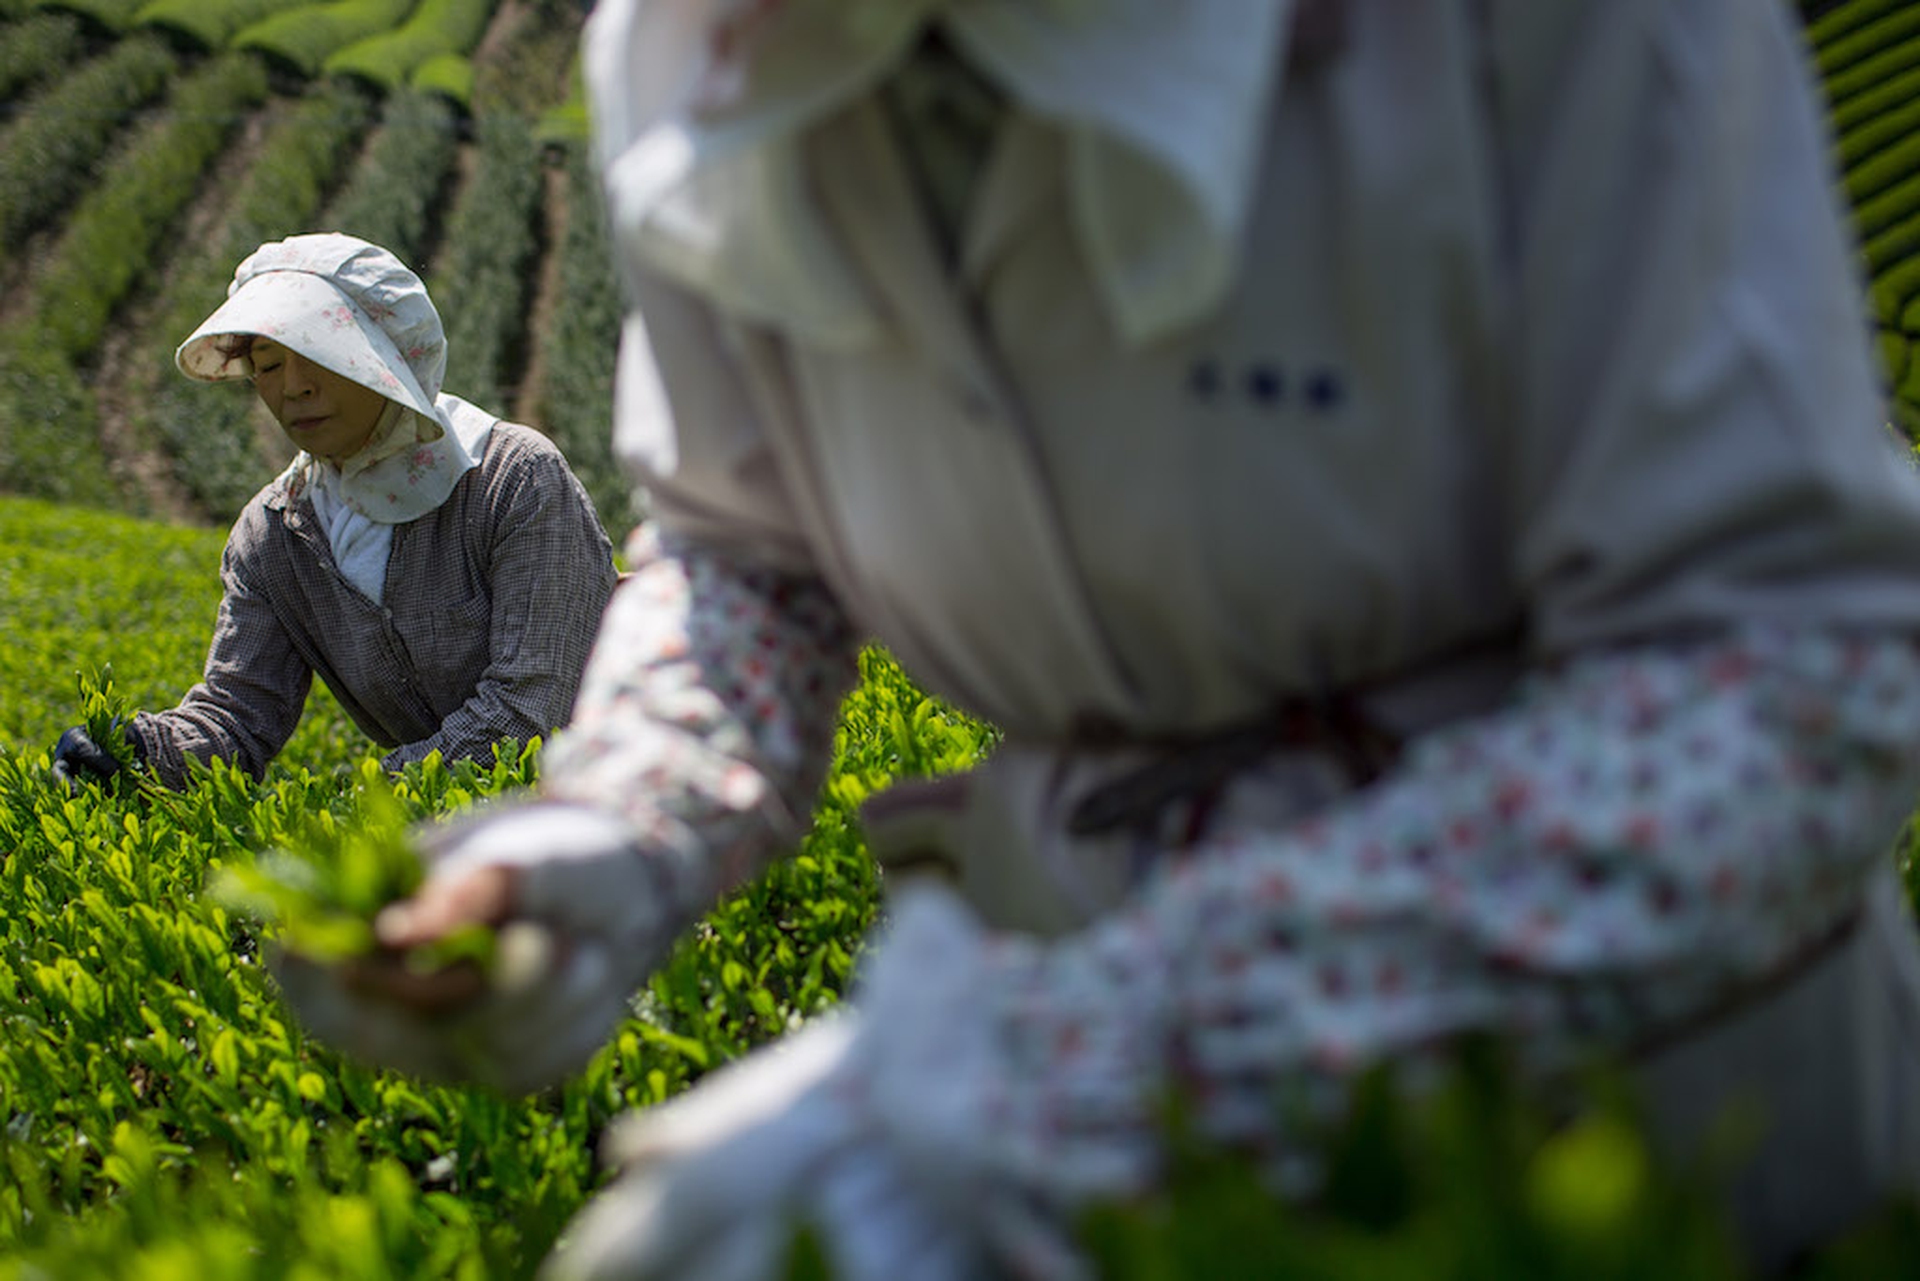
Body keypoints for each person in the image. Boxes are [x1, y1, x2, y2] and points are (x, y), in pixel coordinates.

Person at [277, 3, 1920, 1277]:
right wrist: (624, 825)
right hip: (1078, 1005)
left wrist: (1128, 1050)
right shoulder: (701, 51)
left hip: (1634, 1094)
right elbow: (742, 551)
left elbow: (1779, 672)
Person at [52, 233, 618, 791]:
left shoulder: (510, 479)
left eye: (319, 355)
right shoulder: (276, 533)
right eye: (269, 366)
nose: (293, 389)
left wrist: (359, 805)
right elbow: (238, 716)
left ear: (384, 359)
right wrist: (140, 753)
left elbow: (530, 708)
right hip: (457, 833)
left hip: (625, 802)